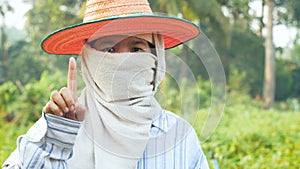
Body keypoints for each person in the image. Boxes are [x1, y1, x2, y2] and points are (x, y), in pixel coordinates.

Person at [3, 0, 210, 168]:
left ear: (157, 58)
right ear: (89, 59)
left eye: (136, 49)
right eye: (109, 50)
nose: (122, 61)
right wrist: (56, 139)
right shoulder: (59, 126)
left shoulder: (180, 138)